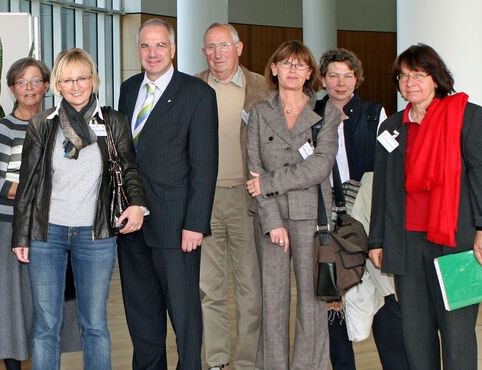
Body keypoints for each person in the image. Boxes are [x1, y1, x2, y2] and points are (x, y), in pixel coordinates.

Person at [12, 48, 147, 370]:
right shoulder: (42, 124)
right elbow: (28, 183)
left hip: (95, 235)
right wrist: (21, 235)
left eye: (82, 78)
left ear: (94, 80)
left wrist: (139, 205)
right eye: (68, 80)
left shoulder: (113, 122)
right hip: (48, 235)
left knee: (95, 324)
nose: (75, 86)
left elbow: (129, 170)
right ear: (57, 85)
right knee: (46, 326)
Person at [368, 43, 482, 370]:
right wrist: (377, 240)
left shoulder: (467, 116)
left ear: (436, 79)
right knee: (415, 331)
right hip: (407, 243)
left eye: (419, 75)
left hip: (456, 241)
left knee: (457, 333)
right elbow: (382, 187)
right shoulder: (392, 128)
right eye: (404, 76)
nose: (410, 82)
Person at [117, 18, 218, 370]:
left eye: (160, 45)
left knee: (184, 314)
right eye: (145, 45)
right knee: (141, 314)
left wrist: (195, 224)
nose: (152, 52)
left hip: (177, 227)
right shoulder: (128, 90)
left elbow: (204, 167)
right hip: (132, 225)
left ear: (173, 49)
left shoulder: (198, 93)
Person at [244, 40, 341, 370]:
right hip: (270, 219)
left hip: (312, 218)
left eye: (300, 65)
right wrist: (271, 220)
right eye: (286, 63)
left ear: (310, 73)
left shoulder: (325, 113)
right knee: (272, 300)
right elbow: (253, 167)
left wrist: (271, 182)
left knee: (313, 302)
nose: (293, 70)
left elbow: (320, 165)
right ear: (274, 68)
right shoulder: (259, 113)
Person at [0, 57, 82, 370]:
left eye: (36, 81)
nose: (30, 88)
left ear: (46, 87)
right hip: (12, 226)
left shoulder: (61, 124)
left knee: (51, 302)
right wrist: (34, 190)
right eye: (23, 82)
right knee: (12, 301)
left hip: (55, 227)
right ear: (12, 88)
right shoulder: (5, 128)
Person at [317, 47, 409, 370]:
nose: (341, 83)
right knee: (334, 296)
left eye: (348, 76)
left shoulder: (374, 113)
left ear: (357, 79)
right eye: (333, 76)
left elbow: (390, 165)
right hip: (326, 217)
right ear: (323, 79)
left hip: (368, 213)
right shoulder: (312, 113)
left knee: (383, 294)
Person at [194, 22, 269, 370]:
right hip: (204, 200)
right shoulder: (192, 87)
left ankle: (246, 362)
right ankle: (218, 361)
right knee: (209, 289)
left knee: (250, 291)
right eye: (210, 47)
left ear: (239, 48)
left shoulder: (263, 88)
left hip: (247, 198)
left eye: (223, 45)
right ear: (203, 52)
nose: (217, 53)